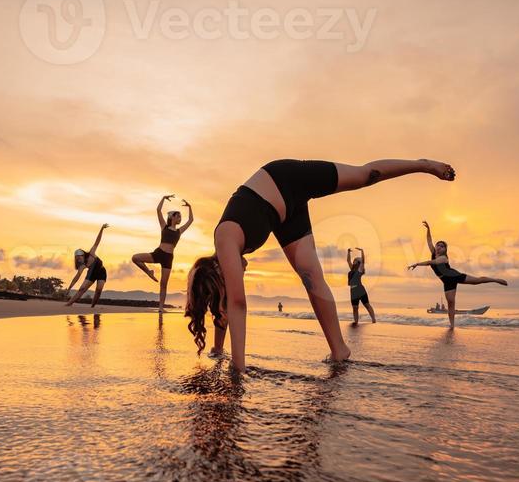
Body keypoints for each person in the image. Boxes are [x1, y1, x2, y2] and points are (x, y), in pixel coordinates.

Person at [186, 158, 455, 370]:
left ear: (219, 272)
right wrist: (218, 349)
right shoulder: (223, 259)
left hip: (284, 179)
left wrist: (238, 369)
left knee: (364, 176)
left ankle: (424, 165)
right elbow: (224, 307)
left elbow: (237, 303)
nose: (239, 278)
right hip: (284, 216)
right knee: (311, 276)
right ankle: (340, 350)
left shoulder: (224, 239)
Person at [409, 220, 507, 328]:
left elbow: (431, 263)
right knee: (451, 304)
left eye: (442, 246)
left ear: (445, 250)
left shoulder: (443, 258)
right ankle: (452, 326)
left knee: (477, 281)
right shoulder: (433, 253)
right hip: (446, 282)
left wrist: (417, 264)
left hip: (454, 276)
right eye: (438, 245)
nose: (439, 247)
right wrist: (428, 229)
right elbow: (429, 241)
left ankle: (496, 280)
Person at [132, 196, 194, 313]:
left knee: (163, 284)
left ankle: (161, 307)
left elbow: (191, 220)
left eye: (180, 216)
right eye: (178, 216)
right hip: (158, 253)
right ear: (172, 217)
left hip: (168, 258)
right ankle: (148, 272)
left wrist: (190, 207)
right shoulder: (164, 226)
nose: (180, 218)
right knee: (135, 258)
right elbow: (158, 210)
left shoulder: (179, 231)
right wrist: (163, 198)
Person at [65, 223, 109, 309]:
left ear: (83, 255)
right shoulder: (82, 266)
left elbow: (97, 241)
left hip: (101, 272)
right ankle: (69, 304)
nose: (78, 259)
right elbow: (76, 278)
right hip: (91, 274)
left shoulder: (91, 253)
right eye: (76, 258)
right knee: (82, 289)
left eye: (79, 257)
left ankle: (92, 307)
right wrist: (69, 288)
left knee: (99, 290)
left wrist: (102, 229)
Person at [347, 247, 376, 326]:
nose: (354, 261)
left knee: (366, 305)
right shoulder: (352, 269)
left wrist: (362, 251)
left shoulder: (360, 269)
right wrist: (348, 252)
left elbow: (363, 260)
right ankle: (356, 321)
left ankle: (373, 319)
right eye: (354, 260)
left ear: (358, 262)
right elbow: (348, 260)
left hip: (360, 289)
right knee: (355, 307)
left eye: (356, 260)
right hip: (353, 291)